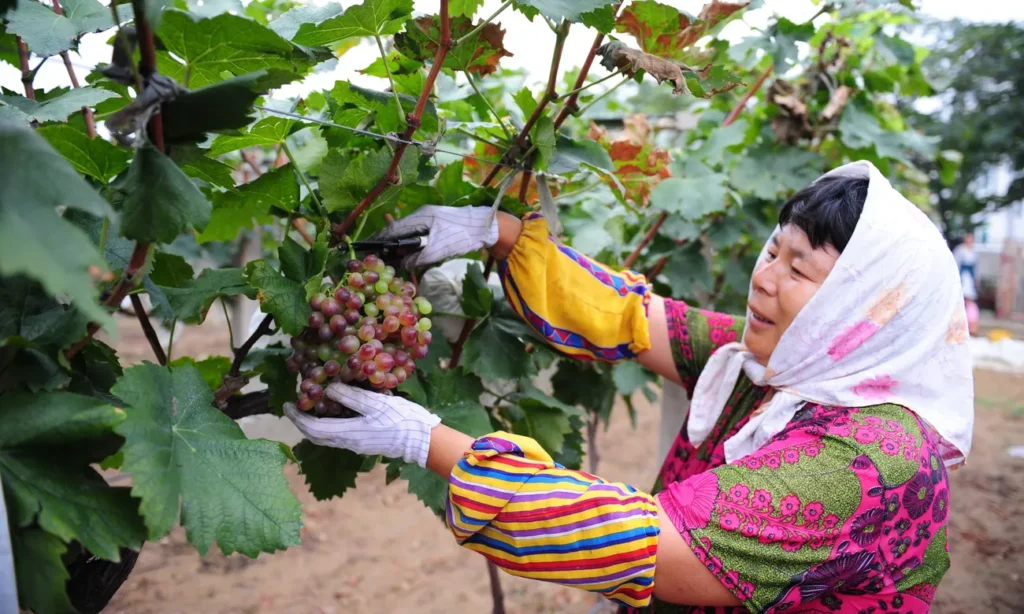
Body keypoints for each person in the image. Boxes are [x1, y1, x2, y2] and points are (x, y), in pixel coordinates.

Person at [284, 161, 974, 613]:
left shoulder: (872, 461)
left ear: (866, 309)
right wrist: (499, 234)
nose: (764, 277)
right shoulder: (780, 366)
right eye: (773, 249)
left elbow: (644, 541)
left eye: (801, 270)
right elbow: (635, 318)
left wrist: (427, 440)